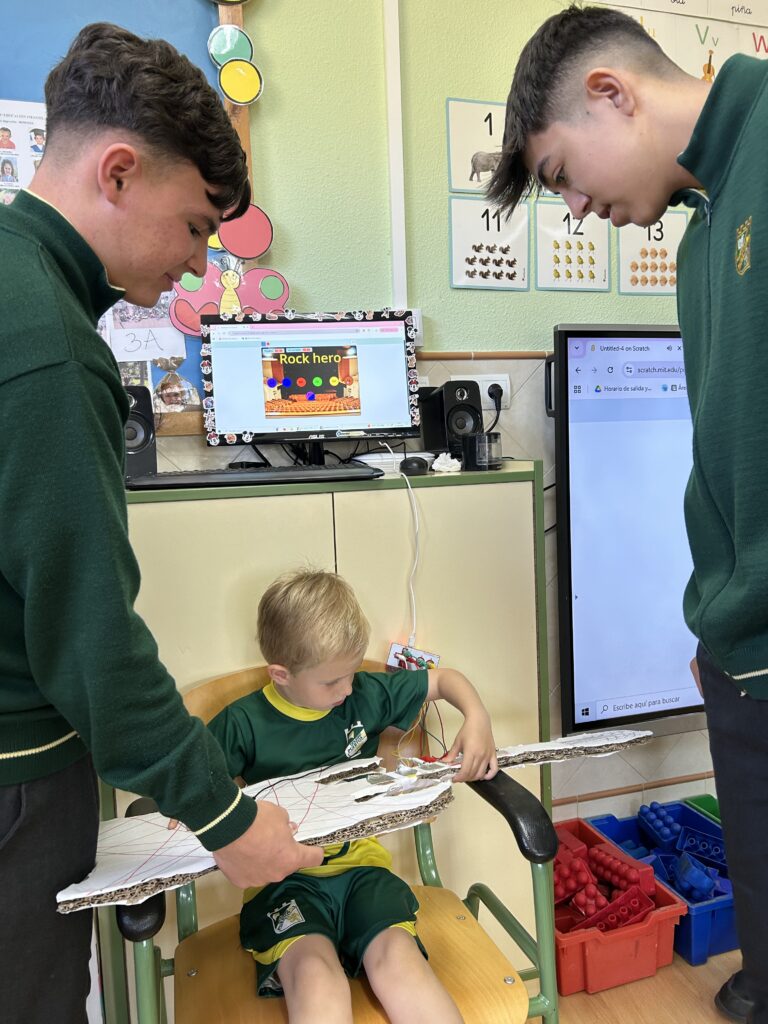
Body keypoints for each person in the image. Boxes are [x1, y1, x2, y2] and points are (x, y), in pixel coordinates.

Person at [0, 23, 322, 1024]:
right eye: (192, 226)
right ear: (118, 172)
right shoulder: (52, 347)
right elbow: (93, 640)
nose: (196, 262)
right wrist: (229, 818)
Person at [487, 6, 768, 1022]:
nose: (576, 207)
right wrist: (716, 619)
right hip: (740, 640)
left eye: (562, 174)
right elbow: (725, 449)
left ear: (612, 93)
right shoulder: (700, 241)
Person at [208, 569, 498, 1023]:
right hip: (283, 882)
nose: (347, 690)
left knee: (400, 962)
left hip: (363, 871)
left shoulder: (361, 694)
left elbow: (444, 681)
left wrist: (477, 717)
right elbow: (193, 786)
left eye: (352, 674)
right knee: (316, 977)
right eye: (332, 682)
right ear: (281, 674)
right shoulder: (243, 723)